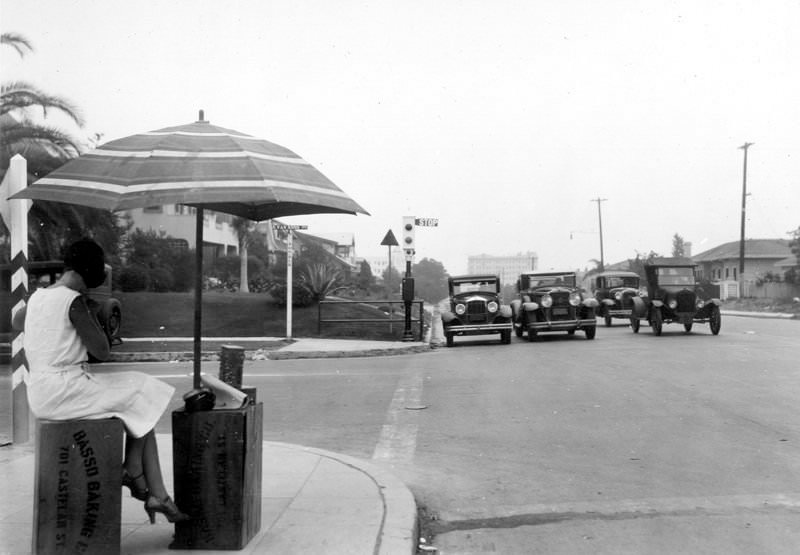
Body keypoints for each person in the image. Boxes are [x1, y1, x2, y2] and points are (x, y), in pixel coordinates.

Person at [13, 239, 188, 524]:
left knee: (142, 409)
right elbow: (101, 352)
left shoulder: (38, 298)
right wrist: (96, 320)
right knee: (144, 386)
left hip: (42, 392)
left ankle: (158, 495)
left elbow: (19, 323)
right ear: (88, 271)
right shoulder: (74, 301)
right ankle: (132, 471)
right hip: (65, 390)